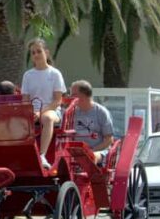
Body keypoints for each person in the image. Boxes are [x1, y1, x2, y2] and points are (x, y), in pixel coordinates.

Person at [21, 38, 66, 169]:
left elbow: (58, 100)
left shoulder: (55, 74)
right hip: (32, 111)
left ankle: (42, 155)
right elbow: (25, 100)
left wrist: (40, 112)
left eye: (38, 51)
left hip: (51, 110)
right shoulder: (28, 75)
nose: (35, 55)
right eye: (33, 53)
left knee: (46, 118)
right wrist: (29, 112)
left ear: (46, 52)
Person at [70, 80, 114, 165]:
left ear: (84, 95)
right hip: (77, 152)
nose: (70, 97)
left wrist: (91, 151)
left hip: (99, 151)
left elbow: (109, 139)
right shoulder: (71, 113)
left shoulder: (101, 112)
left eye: (74, 95)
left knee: (91, 157)